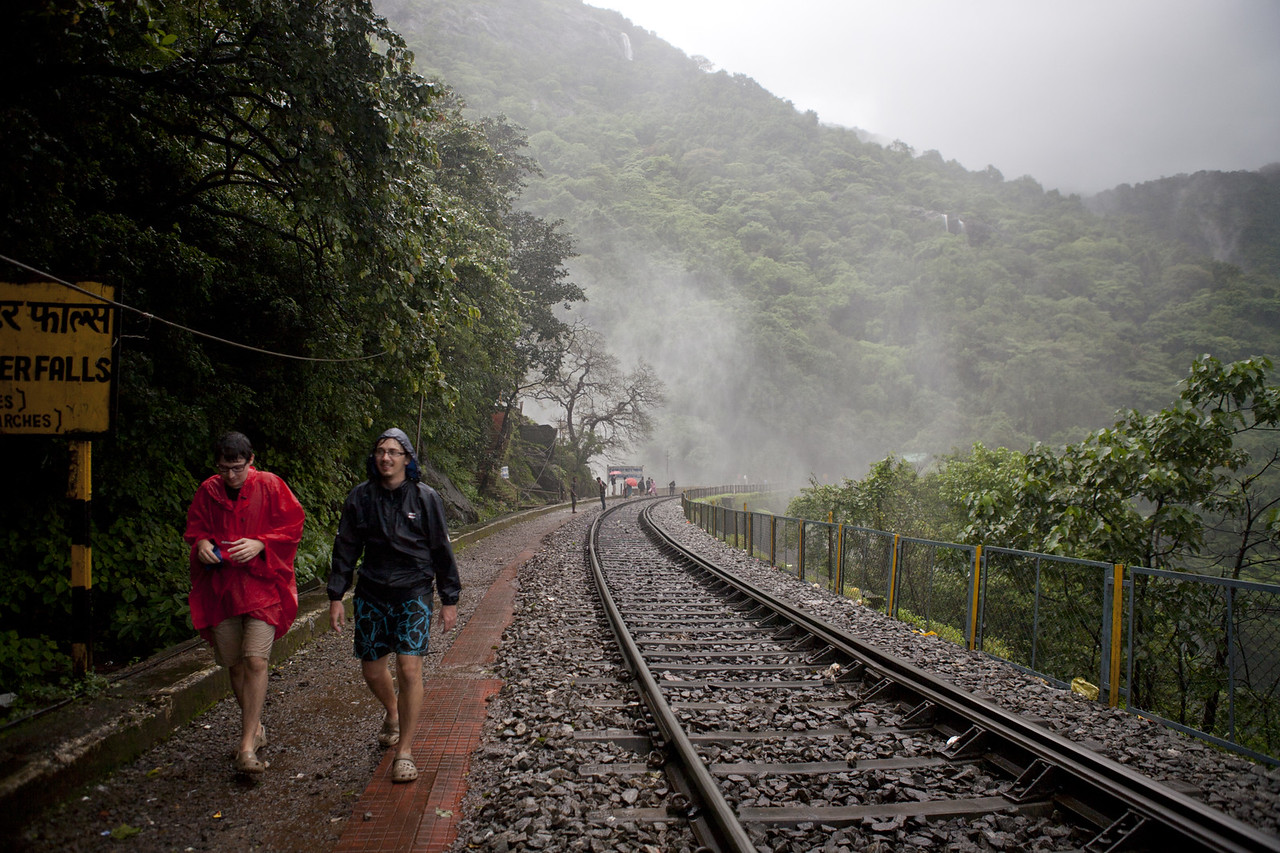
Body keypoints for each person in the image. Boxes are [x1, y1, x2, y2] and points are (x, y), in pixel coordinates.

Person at [327, 428, 461, 784]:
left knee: (409, 669)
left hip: (414, 591)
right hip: (371, 592)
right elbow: (345, 548)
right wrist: (336, 595)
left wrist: (450, 599)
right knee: (372, 671)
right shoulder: (360, 498)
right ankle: (392, 711)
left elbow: (441, 550)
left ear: (407, 459)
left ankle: (404, 751)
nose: (385, 457)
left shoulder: (425, 498)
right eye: (380, 451)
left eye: (393, 452)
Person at [185, 431, 306, 775]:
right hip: (222, 589)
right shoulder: (208, 491)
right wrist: (202, 543)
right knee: (234, 664)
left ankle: (246, 746)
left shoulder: (269, 486)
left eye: (237, 468)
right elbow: (196, 528)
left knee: (255, 661)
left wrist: (261, 543)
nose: (230, 476)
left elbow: (293, 525)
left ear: (250, 461)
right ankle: (255, 728)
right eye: (224, 469)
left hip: (262, 588)